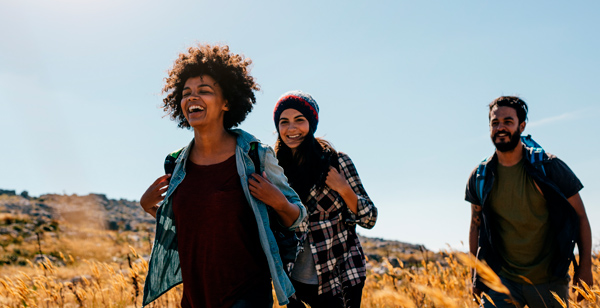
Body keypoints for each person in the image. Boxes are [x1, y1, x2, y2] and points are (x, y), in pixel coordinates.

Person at [138, 44, 307, 308]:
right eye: (186, 93)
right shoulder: (175, 164)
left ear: (226, 102)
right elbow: (193, 227)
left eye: (204, 91)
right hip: (195, 299)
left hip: (246, 296)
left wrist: (278, 202)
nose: (193, 98)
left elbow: (298, 218)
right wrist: (151, 208)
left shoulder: (254, 156)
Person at [465, 96, 593, 307]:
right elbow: (475, 227)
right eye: (495, 123)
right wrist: (476, 276)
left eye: (508, 121)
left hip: (549, 280)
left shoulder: (549, 167)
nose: (500, 128)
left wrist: (585, 267)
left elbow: (579, 216)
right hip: (502, 281)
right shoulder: (481, 176)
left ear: (522, 126)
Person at [265, 90, 377, 308]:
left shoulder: (337, 162)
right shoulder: (274, 170)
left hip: (341, 278)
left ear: (312, 124)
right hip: (294, 282)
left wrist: (344, 188)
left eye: (300, 120)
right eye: (284, 122)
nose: (291, 128)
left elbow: (369, 218)